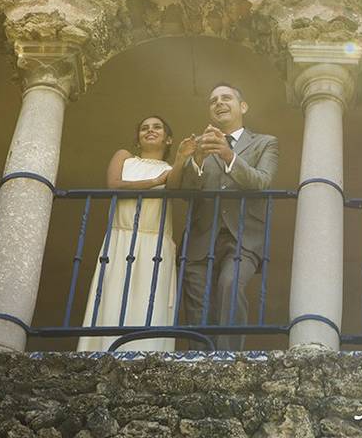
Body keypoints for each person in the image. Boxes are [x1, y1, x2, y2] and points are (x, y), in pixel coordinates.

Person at [77, 115, 192, 352]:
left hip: (154, 244)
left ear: (169, 139)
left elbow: (175, 186)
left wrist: (181, 159)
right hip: (121, 238)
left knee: (149, 304)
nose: (150, 130)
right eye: (144, 128)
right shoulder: (124, 157)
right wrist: (154, 181)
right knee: (112, 297)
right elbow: (114, 185)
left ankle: (145, 356)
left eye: (157, 127)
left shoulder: (171, 170)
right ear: (138, 139)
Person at [180, 82, 280, 350]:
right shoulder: (200, 145)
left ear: (242, 106)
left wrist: (227, 154)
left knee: (230, 284)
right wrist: (197, 161)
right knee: (197, 300)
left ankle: (227, 358)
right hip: (201, 236)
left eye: (226, 98)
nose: (219, 103)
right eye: (213, 100)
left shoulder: (264, 143)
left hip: (243, 237)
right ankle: (197, 362)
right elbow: (184, 190)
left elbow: (261, 181)